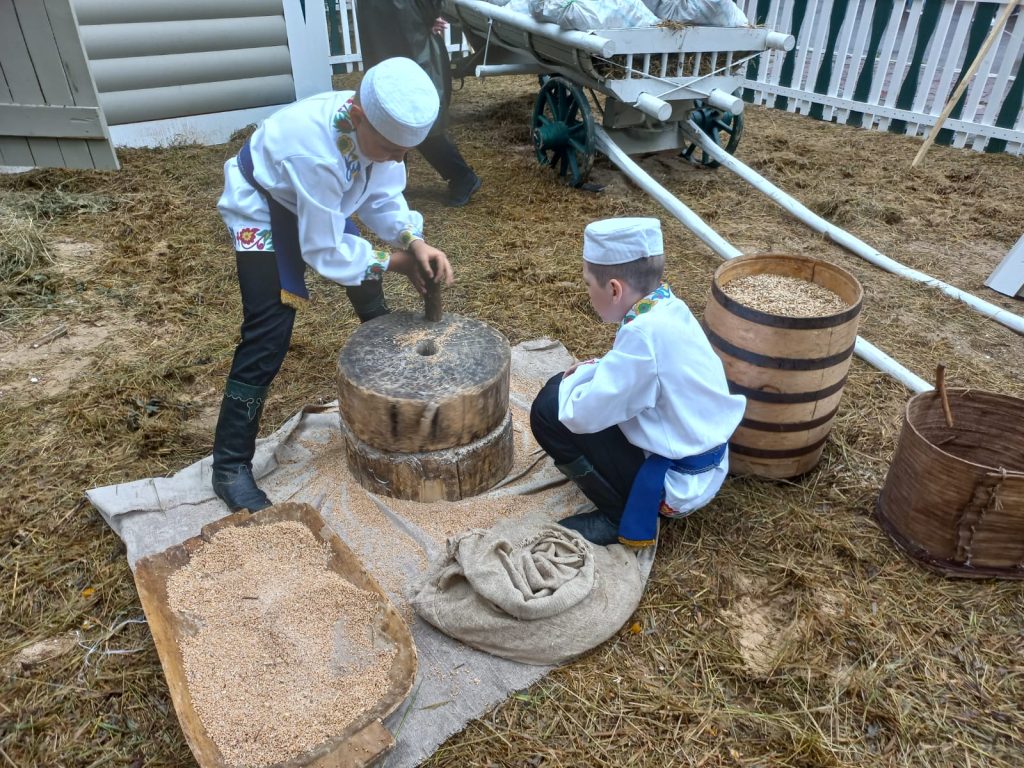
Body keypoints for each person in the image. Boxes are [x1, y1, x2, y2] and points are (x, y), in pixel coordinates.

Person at [213, 56, 455, 513]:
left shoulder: (376, 134)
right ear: (358, 116)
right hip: (264, 203)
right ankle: (229, 466)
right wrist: (398, 261)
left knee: (367, 286)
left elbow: (381, 194)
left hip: (319, 200)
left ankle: (388, 372)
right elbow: (323, 251)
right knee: (268, 328)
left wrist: (413, 239)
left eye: (405, 152)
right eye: (389, 148)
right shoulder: (316, 153)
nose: (397, 158)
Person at [529, 217, 746, 548]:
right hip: (707, 462)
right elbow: (643, 373)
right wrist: (592, 370)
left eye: (589, 284)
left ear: (614, 289)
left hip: (676, 484)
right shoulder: (668, 307)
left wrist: (572, 380)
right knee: (564, 392)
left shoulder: (643, 337)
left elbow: (583, 415)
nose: (587, 292)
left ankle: (618, 515)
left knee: (548, 408)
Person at [356, 0, 481, 207]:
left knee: (415, 115)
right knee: (387, 110)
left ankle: (462, 176)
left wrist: (429, 16)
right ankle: (392, 185)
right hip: (385, 33)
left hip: (410, 39)